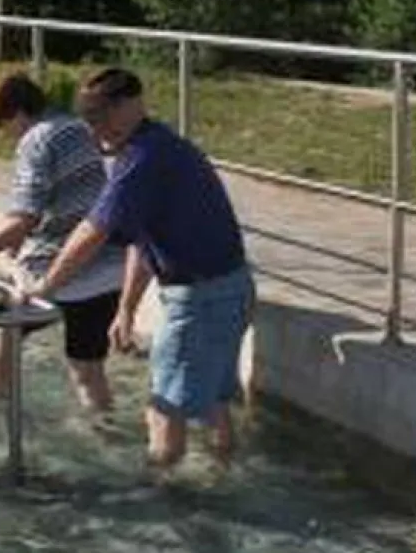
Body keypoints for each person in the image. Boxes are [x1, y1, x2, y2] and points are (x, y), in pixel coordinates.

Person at [17, 67, 252, 468]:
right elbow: (143, 241)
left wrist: (47, 284)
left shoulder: (143, 159)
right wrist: (126, 307)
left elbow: (93, 229)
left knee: (163, 407)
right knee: (213, 400)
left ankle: (160, 497)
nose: (97, 128)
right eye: (88, 118)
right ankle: (223, 475)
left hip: (200, 300)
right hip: (232, 287)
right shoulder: (157, 146)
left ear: (133, 104)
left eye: (104, 114)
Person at [0, 72, 134, 411]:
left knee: (3, 330)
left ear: (17, 114)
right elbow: (70, 198)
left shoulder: (36, 141)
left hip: (59, 274)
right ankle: (108, 436)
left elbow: (24, 218)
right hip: (108, 270)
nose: (3, 133)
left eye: (1, 123)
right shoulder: (78, 128)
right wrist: (22, 234)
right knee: (88, 371)